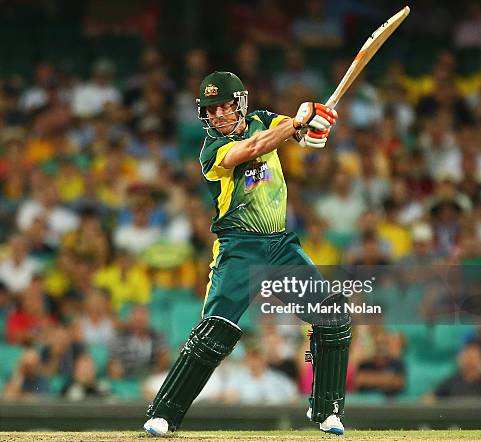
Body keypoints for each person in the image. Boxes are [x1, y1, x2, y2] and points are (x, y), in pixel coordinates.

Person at [143, 71, 350, 436]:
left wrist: (312, 123)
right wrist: (299, 123)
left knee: (332, 315)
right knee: (215, 332)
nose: (219, 114)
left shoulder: (264, 120)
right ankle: (163, 414)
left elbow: (297, 129)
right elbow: (254, 149)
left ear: (240, 103)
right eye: (211, 109)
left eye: (224, 105)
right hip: (239, 247)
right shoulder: (211, 150)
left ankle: (326, 410)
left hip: (280, 244)